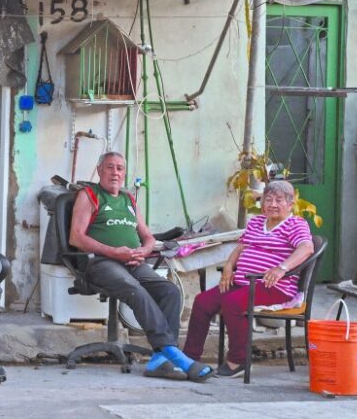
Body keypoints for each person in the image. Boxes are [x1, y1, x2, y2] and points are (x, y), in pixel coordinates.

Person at [70, 151, 213, 381]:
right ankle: (171, 352)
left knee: (170, 291)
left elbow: (148, 237)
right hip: (100, 262)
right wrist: (114, 252)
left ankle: (160, 360)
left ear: (124, 173)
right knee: (134, 288)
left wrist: (144, 251)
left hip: (132, 262)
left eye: (119, 168)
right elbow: (76, 237)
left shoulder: (129, 199)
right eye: (109, 167)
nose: (115, 172)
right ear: (99, 171)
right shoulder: (89, 195)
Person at [183, 179, 315, 378]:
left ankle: (239, 361)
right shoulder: (256, 222)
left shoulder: (295, 224)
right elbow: (241, 247)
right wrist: (229, 266)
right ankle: (189, 358)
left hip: (274, 287)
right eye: (268, 199)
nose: (273, 204)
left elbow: (307, 248)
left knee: (232, 303)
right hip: (243, 283)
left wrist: (281, 269)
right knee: (203, 302)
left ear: (290, 204)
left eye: (279, 200)